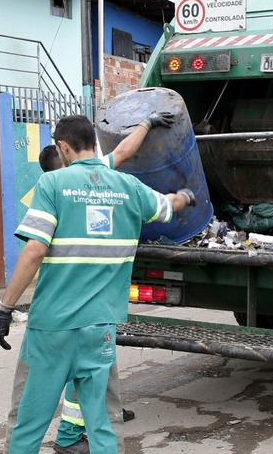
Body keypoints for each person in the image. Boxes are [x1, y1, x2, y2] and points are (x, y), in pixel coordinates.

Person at [0, 114, 195, 454]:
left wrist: (5, 308)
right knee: (100, 425)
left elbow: (34, 250)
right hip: (99, 327)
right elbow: (169, 205)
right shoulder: (126, 186)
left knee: (29, 424)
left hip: (51, 328)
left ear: (63, 146)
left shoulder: (52, 185)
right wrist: (188, 196)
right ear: (95, 144)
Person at [38, 112, 174, 454]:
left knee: (89, 367)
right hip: (85, 305)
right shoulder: (81, 184)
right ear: (67, 155)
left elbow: (122, 153)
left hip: (74, 304)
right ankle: (78, 433)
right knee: (86, 370)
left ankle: (87, 425)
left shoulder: (61, 186)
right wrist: (148, 122)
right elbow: (123, 154)